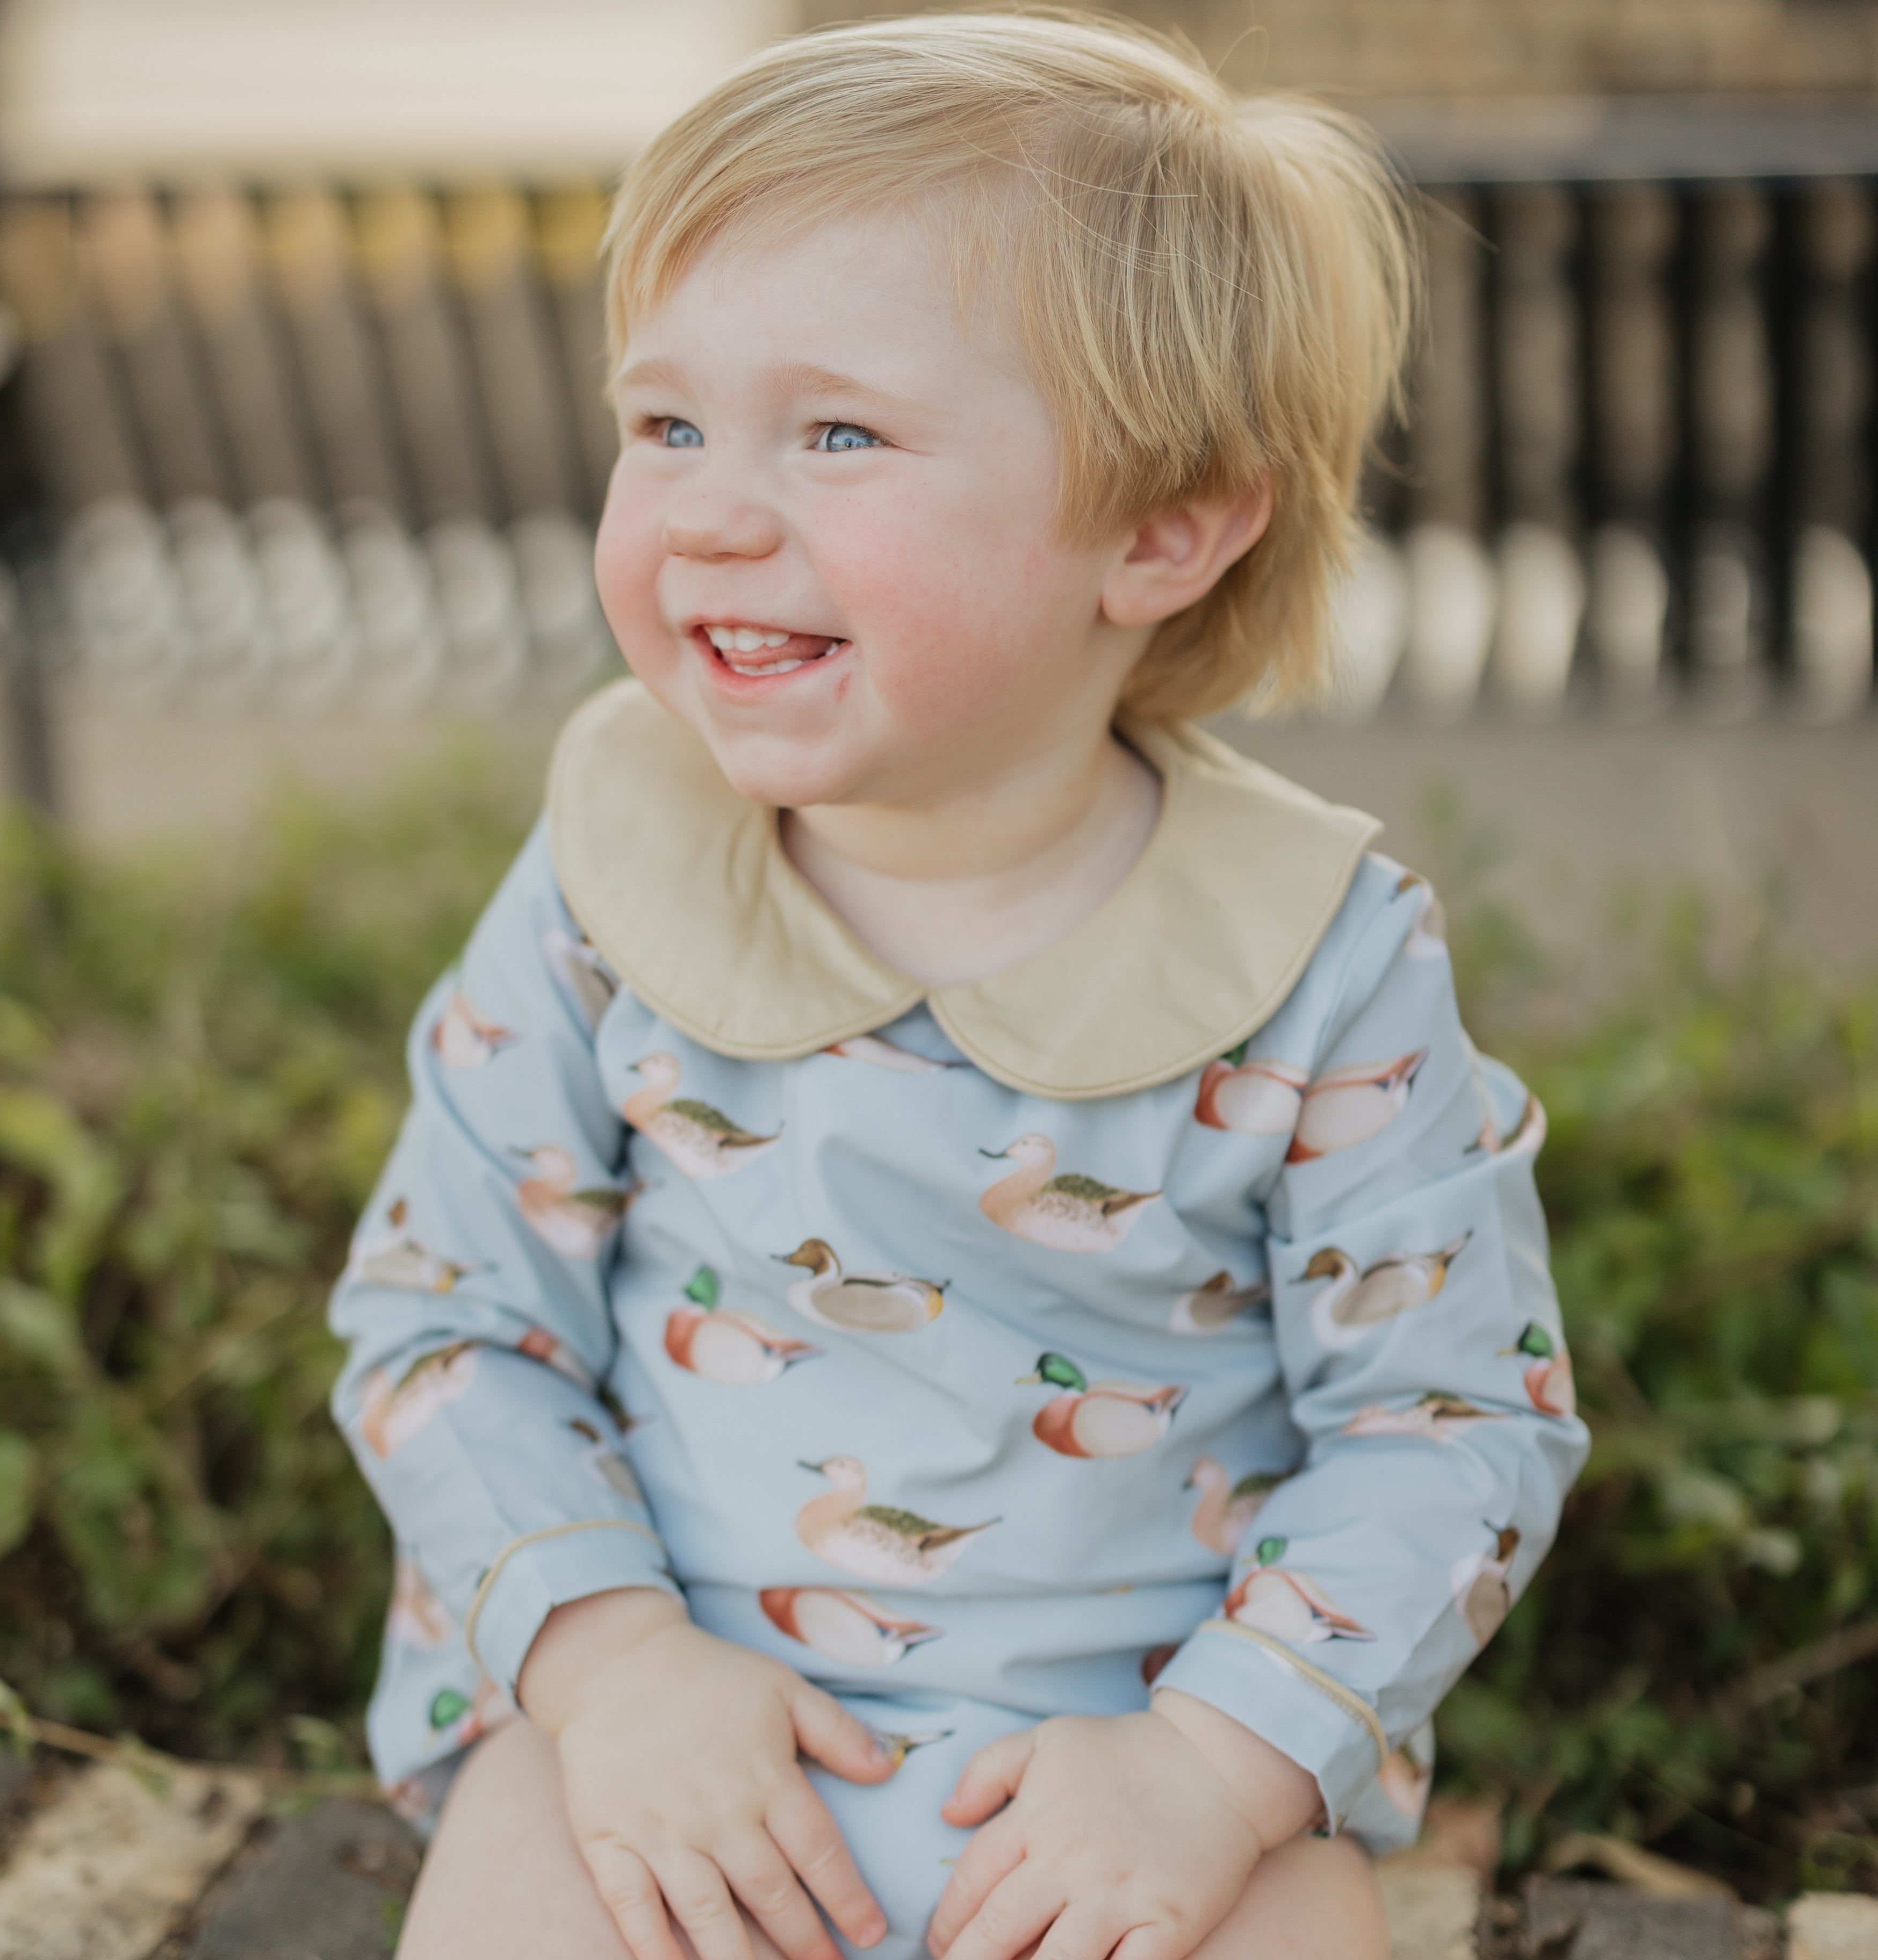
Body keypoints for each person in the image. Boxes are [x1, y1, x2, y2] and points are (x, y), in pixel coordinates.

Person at [329, 14, 1588, 1958]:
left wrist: (1214, 1770)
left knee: (1302, 1932)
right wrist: (609, 1673)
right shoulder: (619, 874)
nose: (713, 511)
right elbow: (446, 1317)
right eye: (666, 423)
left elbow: (1450, 1424)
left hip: (1143, 1809)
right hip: (671, 1772)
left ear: (1160, 528)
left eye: (837, 432)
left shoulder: (1311, 961)